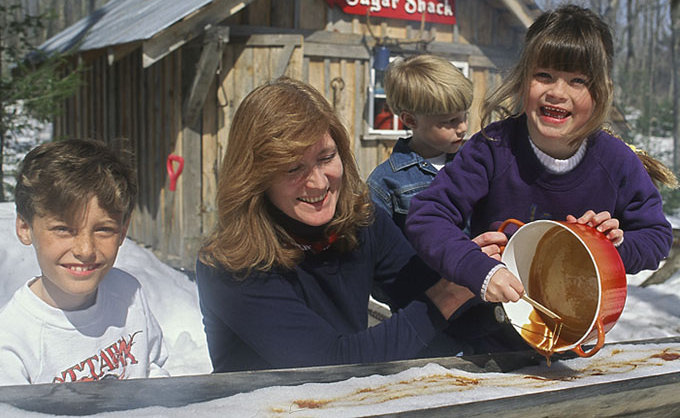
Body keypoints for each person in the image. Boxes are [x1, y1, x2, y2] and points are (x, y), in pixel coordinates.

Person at [405, 4, 674, 353]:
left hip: (573, 338)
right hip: (482, 339)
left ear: (602, 91)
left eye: (578, 81)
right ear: (522, 78)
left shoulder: (617, 161)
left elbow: (656, 237)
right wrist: (478, 270)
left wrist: (610, 251)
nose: (557, 92)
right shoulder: (492, 149)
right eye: (544, 75)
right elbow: (427, 216)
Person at [195, 77, 503, 373]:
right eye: (293, 168)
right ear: (256, 176)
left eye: (326, 157)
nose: (317, 183)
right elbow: (328, 364)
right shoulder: (230, 263)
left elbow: (438, 306)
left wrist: (489, 285)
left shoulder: (361, 223)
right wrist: (447, 296)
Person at [0, 139, 169, 385]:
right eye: (63, 229)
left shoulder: (128, 294)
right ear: (25, 228)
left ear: (123, 231)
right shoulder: (11, 340)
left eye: (103, 230)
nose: (85, 250)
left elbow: (154, 372)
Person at [367, 54, 472, 231]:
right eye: (451, 121)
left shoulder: (473, 163)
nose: (462, 128)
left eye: (464, 117)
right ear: (410, 120)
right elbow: (378, 248)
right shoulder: (385, 182)